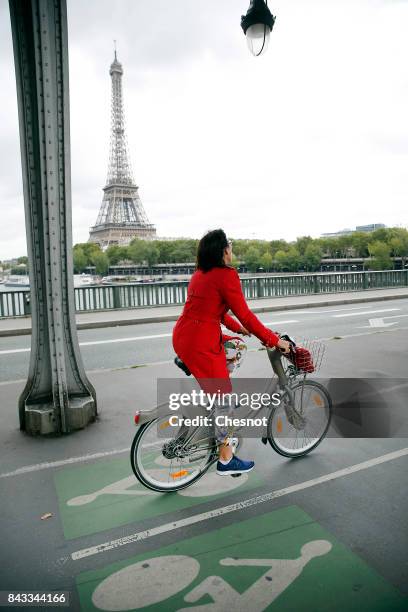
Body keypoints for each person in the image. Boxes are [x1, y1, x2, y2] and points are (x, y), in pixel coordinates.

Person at [172, 229, 290, 475]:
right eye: (230, 246)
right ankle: (225, 459)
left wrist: (239, 330)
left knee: (233, 352)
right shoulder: (226, 276)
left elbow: (219, 311)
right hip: (201, 343)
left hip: (185, 336)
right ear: (224, 251)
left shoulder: (199, 274)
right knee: (224, 398)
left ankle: (217, 410)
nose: (232, 250)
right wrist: (273, 340)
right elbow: (244, 313)